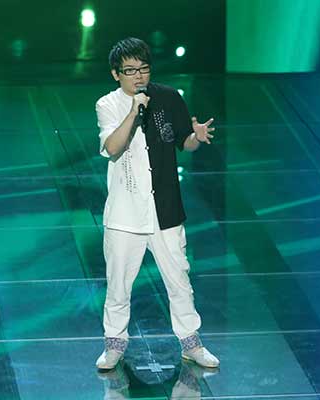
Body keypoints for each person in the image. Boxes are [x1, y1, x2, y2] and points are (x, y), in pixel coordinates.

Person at [94, 37, 219, 370]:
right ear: (116, 74)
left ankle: (191, 344)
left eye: (144, 69)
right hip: (124, 215)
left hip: (166, 210)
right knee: (118, 284)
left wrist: (196, 137)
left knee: (180, 280)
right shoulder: (108, 105)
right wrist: (134, 111)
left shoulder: (170, 98)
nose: (138, 76)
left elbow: (184, 142)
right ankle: (114, 344)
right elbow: (113, 148)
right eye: (130, 70)